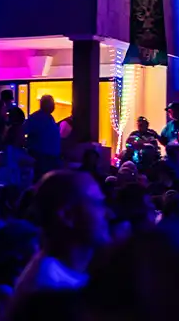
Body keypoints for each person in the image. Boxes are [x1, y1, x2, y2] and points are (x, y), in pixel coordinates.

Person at [12, 171, 109, 301]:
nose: (108, 214)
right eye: (97, 204)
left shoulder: (73, 273)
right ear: (67, 215)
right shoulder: (49, 289)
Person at [24, 96, 63, 179]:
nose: (53, 106)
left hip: (52, 158)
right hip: (41, 158)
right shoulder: (35, 117)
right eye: (51, 103)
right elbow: (23, 130)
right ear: (44, 104)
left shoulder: (50, 117)